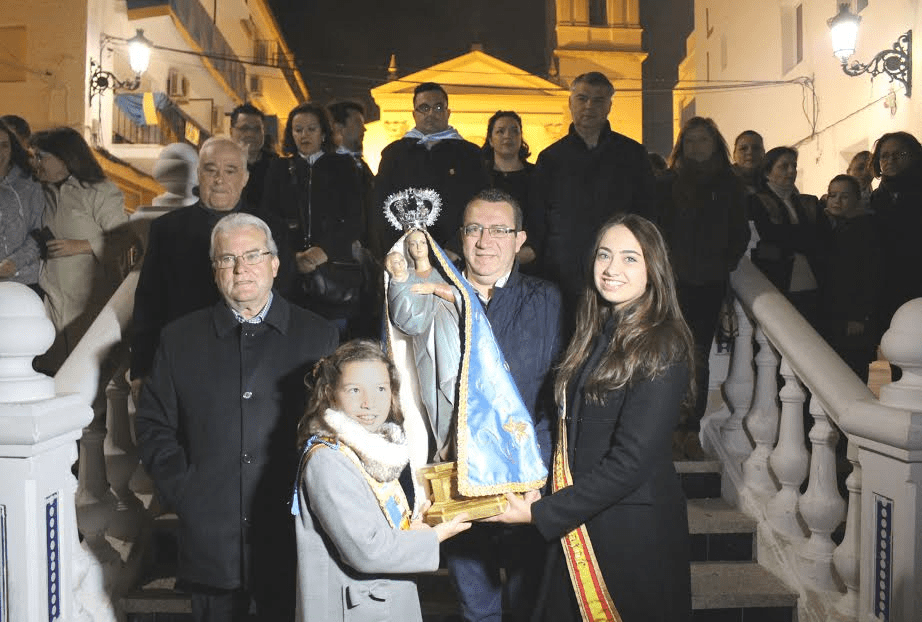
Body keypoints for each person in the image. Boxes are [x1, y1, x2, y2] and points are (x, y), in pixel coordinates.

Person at [487, 213, 694, 622]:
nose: (613, 268)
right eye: (604, 255)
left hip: (627, 532)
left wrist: (541, 513)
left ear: (655, 269)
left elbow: (631, 462)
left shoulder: (662, 343)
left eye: (630, 258)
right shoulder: (596, 332)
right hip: (579, 517)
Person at [136, 213, 338, 622]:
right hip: (210, 539)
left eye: (252, 256)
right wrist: (186, 492)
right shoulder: (179, 339)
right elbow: (153, 427)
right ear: (214, 271)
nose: (240, 268)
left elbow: (337, 430)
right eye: (227, 259)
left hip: (291, 534)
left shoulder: (320, 336)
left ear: (275, 264)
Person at [444, 188, 564, 622]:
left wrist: (541, 475)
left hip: (525, 482)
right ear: (460, 236)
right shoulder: (433, 297)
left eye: (499, 230)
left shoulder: (548, 300)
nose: (484, 241)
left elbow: (557, 397)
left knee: (528, 605)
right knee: (476, 608)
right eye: (474, 228)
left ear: (520, 240)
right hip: (455, 479)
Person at [292, 339, 470, 622]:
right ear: (330, 394)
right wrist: (433, 537)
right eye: (354, 390)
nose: (369, 403)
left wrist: (412, 528)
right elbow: (367, 551)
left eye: (380, 389)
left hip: (379, 601)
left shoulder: (369, 450)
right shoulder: (328, 459)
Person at [529, 71, 656, 323]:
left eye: (598, 100)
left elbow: (647, 214)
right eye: (582, 98)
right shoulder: (550, 158)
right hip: (563, 274)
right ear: (570, 103)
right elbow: (537, 220)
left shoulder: (632, 154)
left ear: (609, 106)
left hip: (617, 273)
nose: (589, 106)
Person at [657, 117, 750, 459]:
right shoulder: (667, 183)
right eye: (691, 141)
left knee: (698, 357)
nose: (697, 147)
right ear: (682, 146)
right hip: (671, 283)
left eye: (703, 140)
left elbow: (739, 232)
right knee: (668, 355)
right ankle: (666, 427)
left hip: (708, 283)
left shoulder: (729, 184)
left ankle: (689, 429)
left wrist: (723, 262)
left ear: (716, 144)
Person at [130, 136, 259, 382]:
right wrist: (141, 370)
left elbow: (285, 299)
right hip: (186, 360)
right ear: (199, 174)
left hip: (252, 361)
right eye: (211, 170)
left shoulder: (270, 227)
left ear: (245, 178)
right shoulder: (167, 230)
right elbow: (149, 303)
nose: (220, 180)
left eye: (230, 171)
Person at [31, 127, 129, 369]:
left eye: (41, 156)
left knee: (89, 380)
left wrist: (82, 246)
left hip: (90, 307)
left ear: (64, 158)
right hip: (51, 305)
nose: (36, 163)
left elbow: (124, 237)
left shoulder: (99, 191)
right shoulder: (40, 193)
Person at [260, 103, 365, 329]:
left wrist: (322, 251)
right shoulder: (278, 168)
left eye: (311, 129)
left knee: (332, 343)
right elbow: (268, 219)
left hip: (333, 273)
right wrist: (293, 256)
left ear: (323, 132)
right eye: (298, 130)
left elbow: (355, 220)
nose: (304, 135)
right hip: (289, 273)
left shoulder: (343, 166)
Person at [373, 82, 488, 255]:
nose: (431, 113)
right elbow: (381, 207)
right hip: (405, 255)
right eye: (424, 108)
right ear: (414, 114)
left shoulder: (470, 154)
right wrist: (395, 251)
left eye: (438, 107)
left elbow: (483, 205)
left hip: (459, 256)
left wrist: (456, 248)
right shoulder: (394, 154)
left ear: (448, 113)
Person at [386, 228, 461, 462]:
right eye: (412, 244)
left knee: (451, 389)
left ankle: (457, 449)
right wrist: (398, 281)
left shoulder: (445, 272)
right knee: (430, 396)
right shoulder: (406, 279)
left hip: (449, 339)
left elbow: (465, 297)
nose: (418, 248)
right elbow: (403, 319)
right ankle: (442, 448)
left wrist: (434, 289)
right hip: (423, 342)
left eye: (422, 243)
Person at [817, 174, 882, 382]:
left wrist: (859, 315)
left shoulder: (866, 229)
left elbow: (869, 273)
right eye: (832, 195)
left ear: (857, 198)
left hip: (854, 318)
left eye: (844, 196)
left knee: (853, 374)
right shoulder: (836, 227)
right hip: (834, 313)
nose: (836, 201)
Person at [750, 146, 822, 326]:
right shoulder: (755, 202)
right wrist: (798, 237)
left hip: (811, 281)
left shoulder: (808, 202)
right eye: (784, 166)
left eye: (794, 166)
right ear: (767, 172)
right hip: (775, 281)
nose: (791, 171)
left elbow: (820, 239)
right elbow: (769, 239)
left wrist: (792, 237)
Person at [868, 131, 922, 328]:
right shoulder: (873, 200)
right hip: (883, 289)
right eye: (884, 155)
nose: (890, 160)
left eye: (899, 154)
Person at [481, 111, 535, 266]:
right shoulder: (480, 177)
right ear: (490, 140)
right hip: (486, 257)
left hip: (528, 260)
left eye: (514, 131)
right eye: (500, 131)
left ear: (521, 138)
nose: (507, 136)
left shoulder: (537, 175)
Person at [0, 120, 44, 293]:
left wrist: (13, 263)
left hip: (25, 283)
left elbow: (39, 232)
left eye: (4, 145)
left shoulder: (30, 183)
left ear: (12, 149)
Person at [229, 103, 277, 210]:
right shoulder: (220, 164)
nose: (250, 134)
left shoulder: (277, 167)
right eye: (244, 128)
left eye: (257, 129)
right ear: (231, 131)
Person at [732, 130, 765, 197]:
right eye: (743, 148)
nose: (750, 152)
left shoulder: (774, 183)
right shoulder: (721, 182)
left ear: (764, 153)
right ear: (734, 155)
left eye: (756, 148)